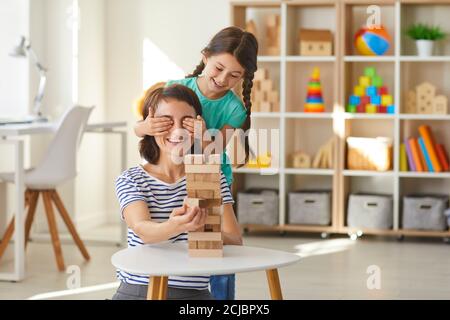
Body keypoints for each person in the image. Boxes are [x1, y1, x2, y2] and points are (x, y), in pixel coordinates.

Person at [134, 26, 258, 300]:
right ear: (205, 57)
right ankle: (172, 289)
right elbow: (140, 129)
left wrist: (204, 136)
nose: (223, 79)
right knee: (178, 236)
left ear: (243, 77)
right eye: (218, 68)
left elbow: (216, 151)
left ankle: (221, 298)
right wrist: (145, 126)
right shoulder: (176, 89)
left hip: (210, 177)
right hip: (175, 174)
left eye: (234, 75)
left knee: (215, 244)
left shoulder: (234, 109)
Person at [112, 84, 242, 300]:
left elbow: (235, 239)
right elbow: (143, 230)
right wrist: (176, 226)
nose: (177, 131)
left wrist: (203, 231)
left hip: (195, 295)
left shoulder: (209, 177)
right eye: (166, 122)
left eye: (187, 122)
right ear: (150, 127)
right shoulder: (132, 178)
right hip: (139, 292)